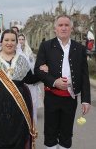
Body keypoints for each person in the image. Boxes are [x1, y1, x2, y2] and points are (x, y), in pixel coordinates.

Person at [34, 15, 91, 149]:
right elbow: (38, 70)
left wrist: (86, 100)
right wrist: (54, 82)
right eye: (60, 25)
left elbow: (84, 75)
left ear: (71, 28)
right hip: (52, 97)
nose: (64, 28)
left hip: (70, 98)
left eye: (66, 25)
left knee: (66, 133)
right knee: (50, 132)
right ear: (55, 29)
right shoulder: (46, 46)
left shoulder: (80, 48)